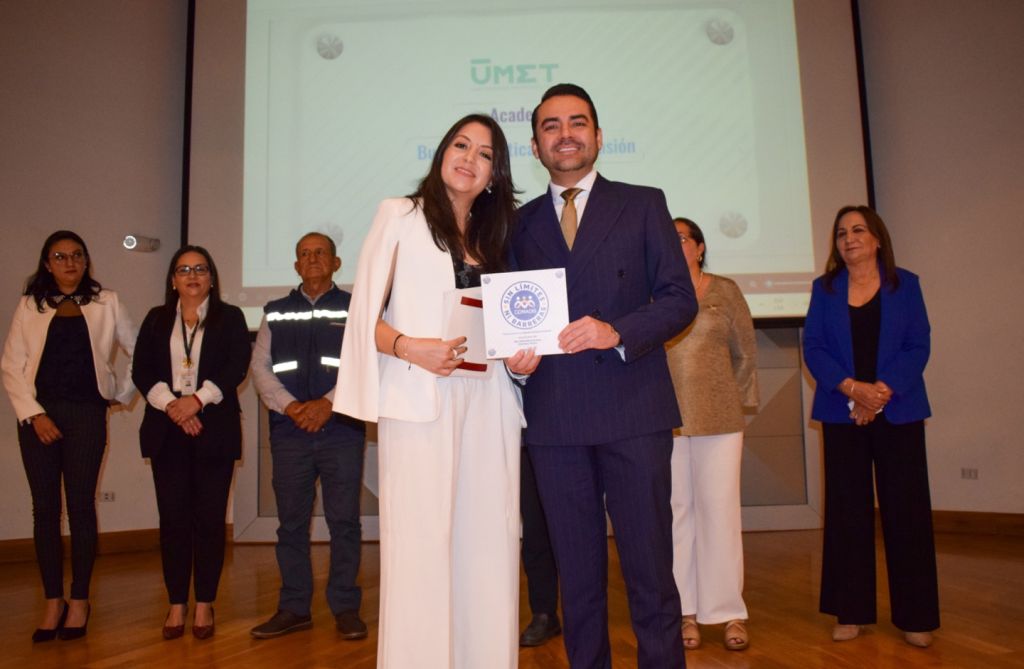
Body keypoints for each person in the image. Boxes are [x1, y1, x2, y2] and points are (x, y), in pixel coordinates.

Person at [334, 114, 536, 668]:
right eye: (461, 145)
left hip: (490, 403)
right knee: (420, 549)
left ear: (495, 174)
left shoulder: (498, 238)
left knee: (489, 545)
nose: (470, 158)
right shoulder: (399, 215)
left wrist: (520, 359)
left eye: (485, 154)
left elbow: (507, 326)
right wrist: (408, 347)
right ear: (442, 152)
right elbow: (362, 318)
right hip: (420, 399)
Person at [511, 83, 697, 668]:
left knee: (651, 571)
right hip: (553, 419)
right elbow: (508, 314)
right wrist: (514, 359)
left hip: (634, 409)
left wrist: (616, 330)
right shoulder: (516, 224)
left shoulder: (643, 204)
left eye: (577, 122)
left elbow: (679, 299)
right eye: (550, 126)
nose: (565, 134)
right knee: (578, 579)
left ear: (597, 135)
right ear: (535, 146)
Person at [803, 205, 939, 648]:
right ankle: (852, 612)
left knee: (907, 513)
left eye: (858, 230)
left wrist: (879, 392)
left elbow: (918, 345)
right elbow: (814, 347)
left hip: (898, 409)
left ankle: (916, 616)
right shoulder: (824, 289)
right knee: (847, 513)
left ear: (878, 239)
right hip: (842, 411)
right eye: (841, 233)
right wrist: (852, 389)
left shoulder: (906, 284)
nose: (849, 239)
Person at [1, 230, 137, 642]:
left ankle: (79, 600)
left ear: (86, 260)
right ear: (47, 263)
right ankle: (52, 600)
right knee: (44, 510)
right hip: (38, 418)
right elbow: (11, 365)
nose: (70, 263)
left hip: (86, 415)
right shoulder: (30, 304)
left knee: (80, 507)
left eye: (77, 255)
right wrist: (34, 414)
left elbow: (140, 351)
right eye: (60, 257)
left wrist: (120, 394)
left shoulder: (107, 301)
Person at [249, 232, 368, 640]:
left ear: (336, 263)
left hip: (341, 430)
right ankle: (294, 608)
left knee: (344, 522)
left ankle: (346, 608)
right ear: (296, 265)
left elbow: (365, 362)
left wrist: (328, 404)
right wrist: (291, 407)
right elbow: (260, 367)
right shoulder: (275, 312)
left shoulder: (356, 308)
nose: (312, 258)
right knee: (291, 525)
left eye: (321, 253)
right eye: (305, 253)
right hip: (290, 432)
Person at [132, 245, 251, 640]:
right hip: (168, 432)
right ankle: (176, 604)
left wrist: (196, 401)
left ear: (211, 278)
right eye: (184, 270)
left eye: (200, 269)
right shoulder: (156, 318)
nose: (192, 276)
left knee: (210, 521)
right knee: (174, 521)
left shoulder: (230, 318)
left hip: (213, 429)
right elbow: (141, 370)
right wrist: (174, 407)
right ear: (173, 280)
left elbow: (235, 366)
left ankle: (204, 604)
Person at [664, 217, 758, 652]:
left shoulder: (725, 290)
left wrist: (733, 403)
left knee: (720, 513)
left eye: (681, 237)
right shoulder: (653, 292)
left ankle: (728, 612)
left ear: (700, 247)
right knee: (676, 514)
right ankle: (684, 612)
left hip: (720, 421)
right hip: (665, 420)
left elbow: (746, 355)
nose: (674, 243)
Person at [518, 446, 561, 647]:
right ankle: (544, 612)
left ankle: (583, 613)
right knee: (534, 523)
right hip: (528, 437)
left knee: (578, 528)